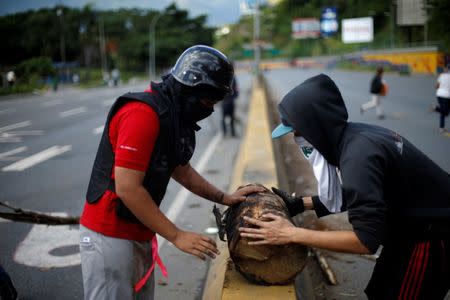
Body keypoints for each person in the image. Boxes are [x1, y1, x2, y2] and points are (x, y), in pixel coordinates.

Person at [239, 74, 450, 299]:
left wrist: (292, 234)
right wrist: (300, 204)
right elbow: (363, 196)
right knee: (380, 291)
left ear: (316, 126)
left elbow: (365, 240)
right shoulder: (354, 137)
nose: (295, 138)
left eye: (297, 131)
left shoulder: (358, 156)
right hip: (407, 228)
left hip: (430, 236)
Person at [79, 45, 262, 300]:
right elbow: (127, 187)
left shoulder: (171, 115)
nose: (209, 108)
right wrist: (176, 235)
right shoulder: (142, 114)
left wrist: (225, 198)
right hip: (111, 235)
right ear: (189, 90)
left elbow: (181, 170)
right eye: (207, 101)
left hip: (140, 231)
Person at [432, 64, 450, 133]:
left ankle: (436, 108)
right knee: (445, 112)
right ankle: (441, 128)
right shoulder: (443, 76)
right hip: (446, 96)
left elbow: (436, 86)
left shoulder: (442, 75)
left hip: (439, 95)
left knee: (444, 111)